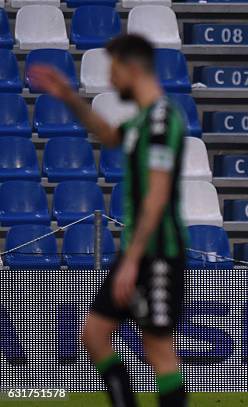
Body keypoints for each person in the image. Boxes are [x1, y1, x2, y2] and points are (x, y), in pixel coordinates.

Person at [28, 34, 188, 406]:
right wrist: (68, 96)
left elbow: (157, 194)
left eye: (114, 70)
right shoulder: (143, 120)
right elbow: (108, 135)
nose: (112, 81)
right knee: (95, 334)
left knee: (158, 348)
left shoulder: (163, 120)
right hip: (139, 249)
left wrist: (131, 259)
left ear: (132, 69)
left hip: (157, 252)